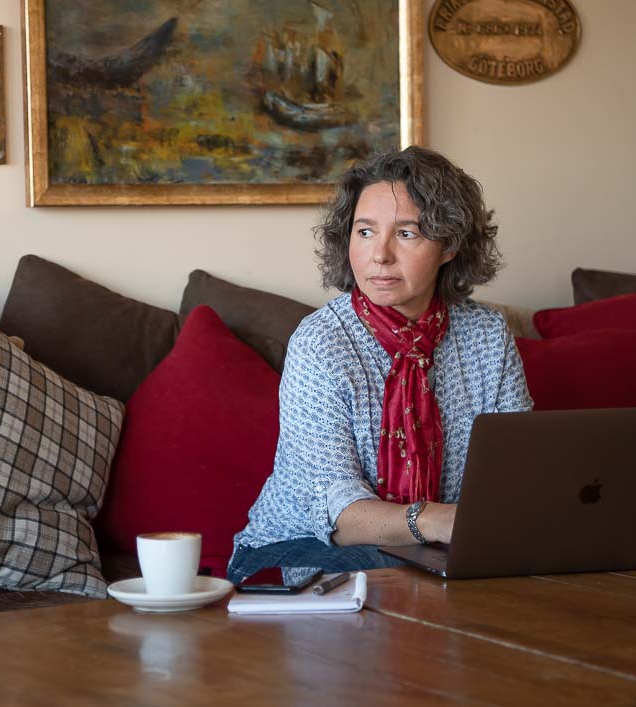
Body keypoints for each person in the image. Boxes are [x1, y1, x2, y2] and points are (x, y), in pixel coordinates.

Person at [226, 146, 533, 583]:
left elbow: (516, 469)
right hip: (296, 549)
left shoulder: (486, 335)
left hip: (439, 549)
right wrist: (433, 520)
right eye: (365, 232)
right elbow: (338, 509)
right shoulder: (321, 342)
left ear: (449, 245)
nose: (380, 254)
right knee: (403, 578)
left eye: (407, 233)